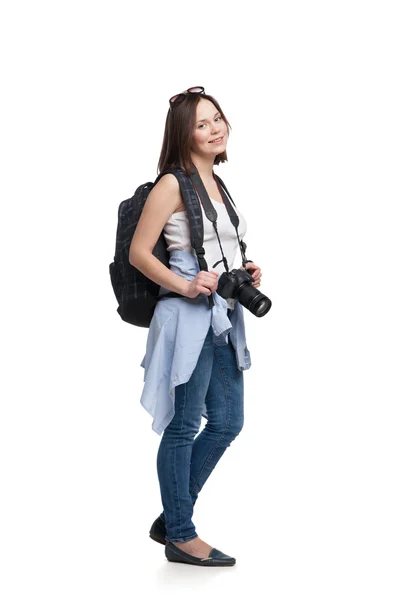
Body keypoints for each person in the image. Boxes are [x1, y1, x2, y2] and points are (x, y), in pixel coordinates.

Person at [129, 86, 262, 567]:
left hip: (223, 314)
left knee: (228, 421)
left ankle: (172, 515)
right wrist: (185, 287)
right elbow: (139, 254)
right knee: (185, 425)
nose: (214, 128)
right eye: (202, 124)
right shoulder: (172, 183)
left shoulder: (217, 182)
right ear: (183, 134)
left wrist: (244, 270)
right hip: (189, 317)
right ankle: (181, 534)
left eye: (218, 119)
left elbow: (218, 244)